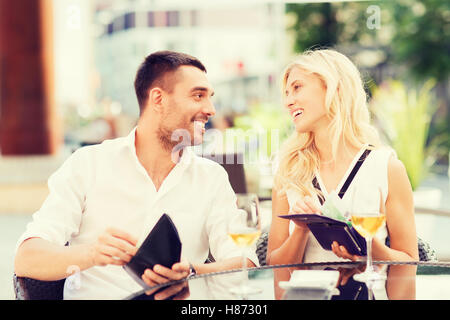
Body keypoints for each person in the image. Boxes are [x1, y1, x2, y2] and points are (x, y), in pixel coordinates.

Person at [14, 51, 258, 300]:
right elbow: (26, 259)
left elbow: (244, 261)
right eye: (198, 96)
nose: (211, 110)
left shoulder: (212, 177)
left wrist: (193, 272)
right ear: (158, 99)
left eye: (210, 98)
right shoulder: (88, 164)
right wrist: (92, 254)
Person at [266, 49, 419, 300]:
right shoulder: (288, 169)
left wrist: (369, 249)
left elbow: (408, 264)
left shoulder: (386, 167)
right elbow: (276, 266)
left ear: (333, 88)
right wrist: (302, 229)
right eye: (286, 93)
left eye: (297, 88)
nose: (288, 101)